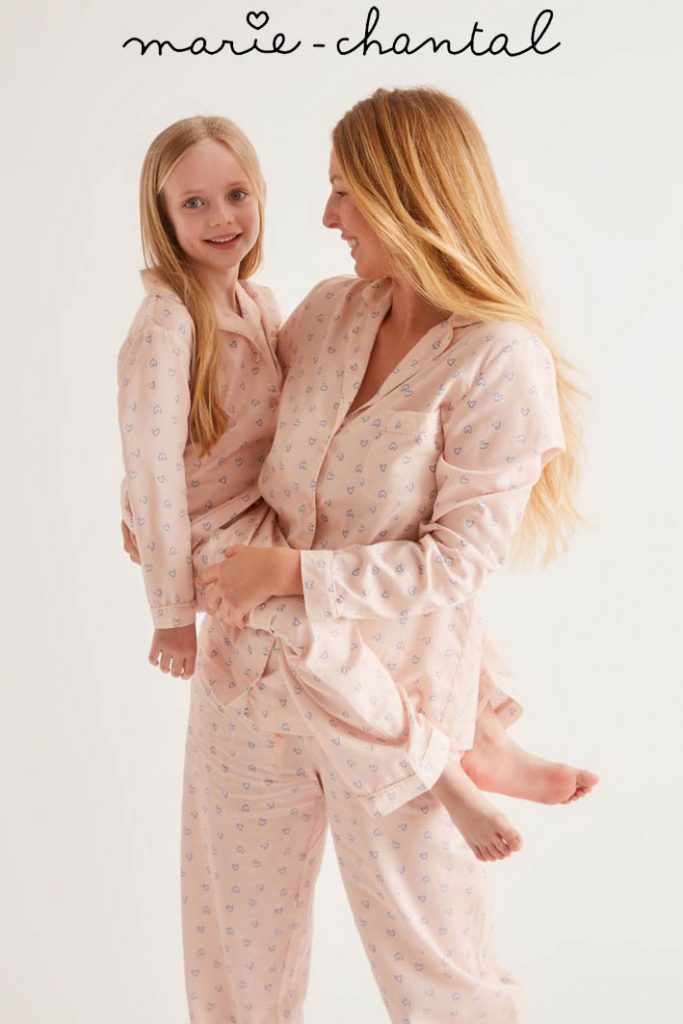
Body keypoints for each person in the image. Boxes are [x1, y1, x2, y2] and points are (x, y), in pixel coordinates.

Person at [176, 87, 596, 1022]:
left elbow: (456, 564)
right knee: (234, 971)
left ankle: (484, 741)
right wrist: (162, 515)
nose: (327, 217)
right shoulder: (328, 313)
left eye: (345, 193)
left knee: (441, 979)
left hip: (396, 711)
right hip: (249, 684)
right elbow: (244, 453)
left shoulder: (496, 360)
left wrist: (294, 573)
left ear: (409, 195)